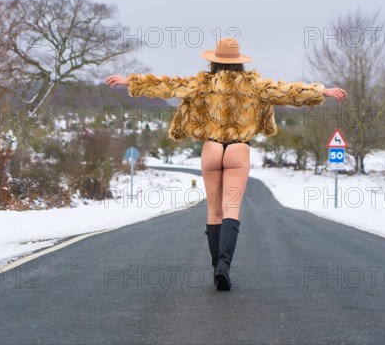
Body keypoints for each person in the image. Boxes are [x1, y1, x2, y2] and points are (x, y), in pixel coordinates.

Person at [105, 37, 347, 291]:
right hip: (238, 149)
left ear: (213, 61)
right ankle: (224, 266)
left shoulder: (202, 83)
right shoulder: (254, 84)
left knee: (214, 212)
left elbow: (168, 85)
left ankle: (215, 269)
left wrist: (129, 81)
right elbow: (287, 92)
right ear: (239, 63)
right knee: (231, 208)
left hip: (211, 148)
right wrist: (323, 92)